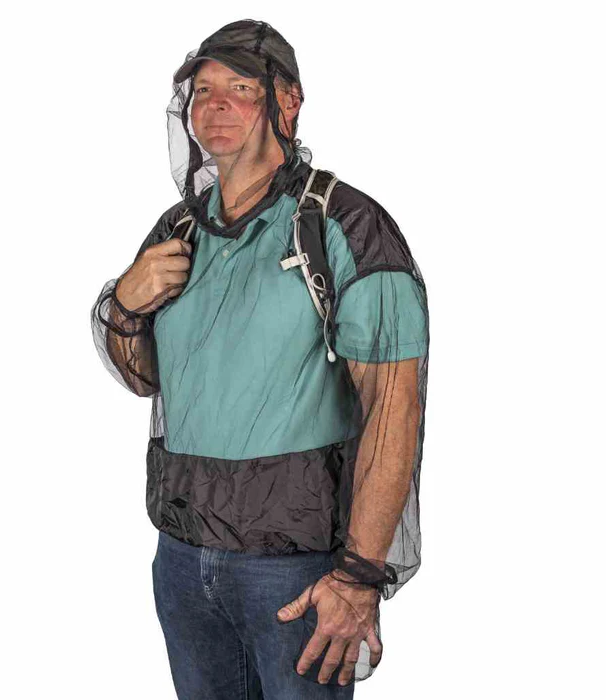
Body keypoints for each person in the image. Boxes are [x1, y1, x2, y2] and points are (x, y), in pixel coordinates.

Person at [91, 19, 430, 699]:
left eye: (240, 89)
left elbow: (394, 408)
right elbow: (147, 378)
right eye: (202, 90)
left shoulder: (344, 225)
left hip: (297, 573)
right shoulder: (179, 230)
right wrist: (124, 305)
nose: (214, 105)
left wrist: (360, 577)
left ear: (287, 101)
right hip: (181, 560)